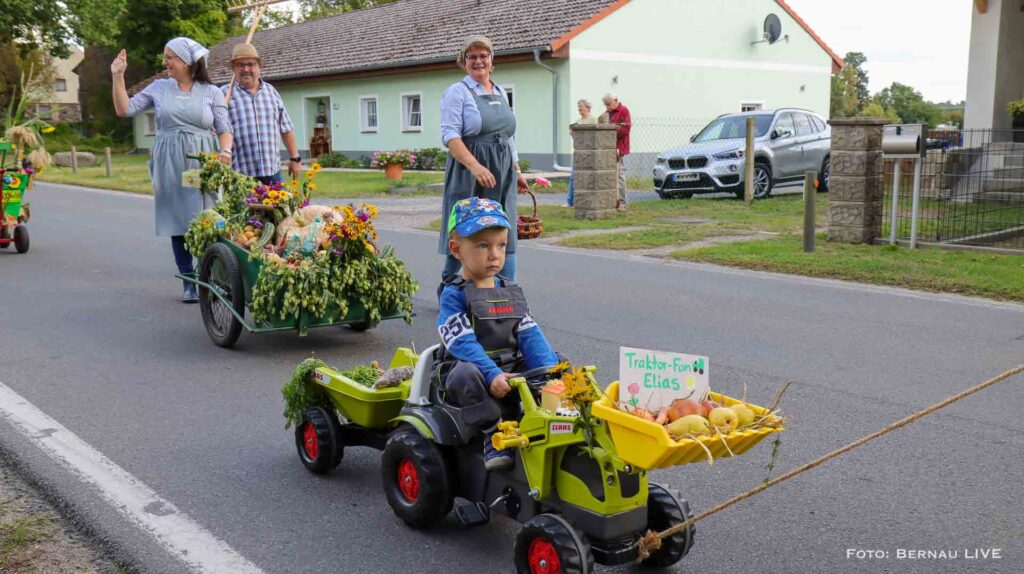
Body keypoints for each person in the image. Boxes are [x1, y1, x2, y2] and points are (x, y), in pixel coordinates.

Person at [437, 198, 559, 470]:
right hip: (472, 368)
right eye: (483, 245)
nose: (494, 254)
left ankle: (552, 418)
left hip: (510, 365)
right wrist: (492, 374)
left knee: (555, 362)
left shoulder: (509, 289)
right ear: (456, 249)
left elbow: (529, 333)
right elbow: (462, 342)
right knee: (464, 374)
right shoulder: (454, 294)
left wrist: (550, 370)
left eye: (501, 245)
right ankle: (493, 432)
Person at [112, 38, 233, 303]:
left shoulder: (211, 91)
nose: (165, 62)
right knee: (178, 220)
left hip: (204, 161)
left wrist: (225, 151)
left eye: (170, 57)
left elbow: (225, 128)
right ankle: (188, 280)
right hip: (170, 160)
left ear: (188, 61)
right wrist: (118, 76)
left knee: (208, 218)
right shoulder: (159, 88)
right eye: (165, 57)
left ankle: (210, 275)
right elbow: (125, 109)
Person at [439, 35, 528, 282]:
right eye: (472, 57)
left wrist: (517, 170)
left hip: (503, 169)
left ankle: (507, 290)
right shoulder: (457, 92)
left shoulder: (500, 90)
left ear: (491, 60)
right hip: (469, 170)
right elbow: (450, 136)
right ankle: (449, 282)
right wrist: (475, 166)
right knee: (467, 227)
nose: (479, 61)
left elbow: (508, 136)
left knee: (503, 226)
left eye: (483, 56)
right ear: (464, 62)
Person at [221, 43, 301, 185]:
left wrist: (295, 158)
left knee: (285, 207)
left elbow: (286, 128)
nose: (246, 69)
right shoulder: (224, 95)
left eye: (251, 64)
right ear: (233, 69)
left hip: (273, 173)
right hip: (242, 176)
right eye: (240, 65)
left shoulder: (271, 92)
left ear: (259, 67)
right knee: (243, 208)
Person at [562, 99, 598, 208]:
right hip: (579, 153)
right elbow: (576, 138)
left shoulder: (593, 120)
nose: (579, 109)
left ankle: (588, 201)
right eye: (578, 107)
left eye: (580, 107)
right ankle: (570, 201)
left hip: (590, 153)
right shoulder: (579, 121)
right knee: (573, 177)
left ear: (587, 107)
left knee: (589, 177)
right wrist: (572, 133)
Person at [602, 92, 632, 212]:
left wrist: (610, 130)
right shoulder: (607, 113)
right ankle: (613, 201)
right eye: (605, 104)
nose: (607, 107)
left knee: (619, 176)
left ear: (615, 100)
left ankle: (623, 203)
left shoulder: (624, 111)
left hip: (619, 148)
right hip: (608, 148)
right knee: (610, 176)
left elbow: (625, 129)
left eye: (608, 104)